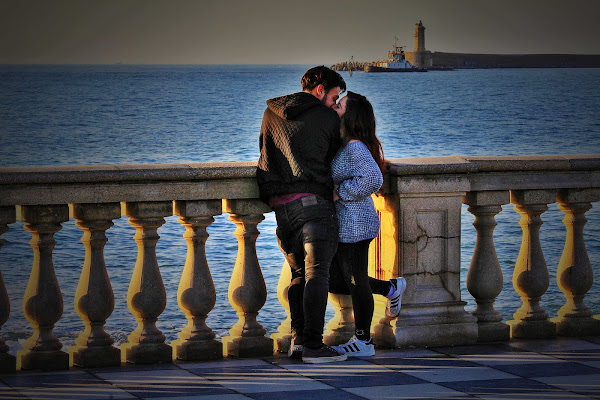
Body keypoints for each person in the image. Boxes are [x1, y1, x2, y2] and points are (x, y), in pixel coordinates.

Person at [256, 66, 347, 363]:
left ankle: (297, 339)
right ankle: (313, 345)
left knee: (297, 274)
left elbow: (264, 153)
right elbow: (338, 158)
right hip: (315, 205)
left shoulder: (271, 114)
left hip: (282, 207)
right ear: (320, 89)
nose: (334, 103)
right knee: (317, 274)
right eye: (334, 96)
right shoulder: (326, 117)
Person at [328, 91, 407, 357]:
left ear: (351, 116)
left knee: (354, 279)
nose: (334, 107)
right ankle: (389, 288)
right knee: (339, 279)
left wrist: (341, 192)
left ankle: (363, 341)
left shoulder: (355, 147)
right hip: (347, 222)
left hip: (355, 223)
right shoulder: (346, 144)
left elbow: (373, 179)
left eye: (339, 105)